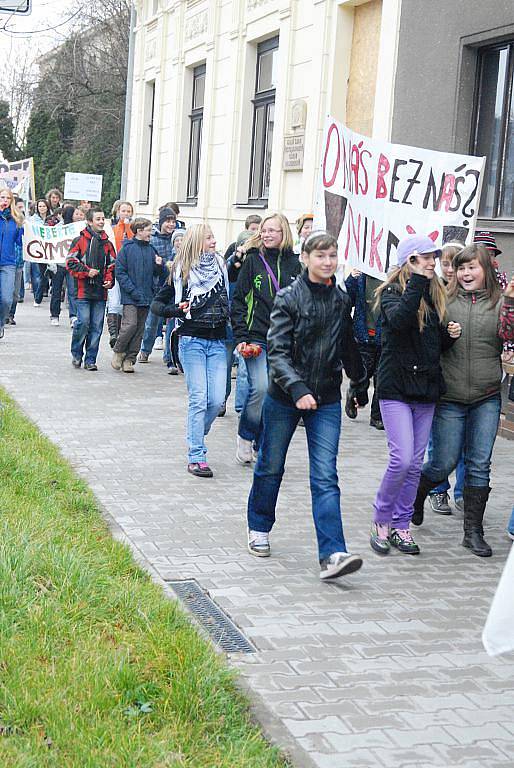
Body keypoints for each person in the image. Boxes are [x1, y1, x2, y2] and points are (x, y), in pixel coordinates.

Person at [246, 231, 367, 579]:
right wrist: (297, 387)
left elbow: (346, 344)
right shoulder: (288, 298)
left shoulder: (342, 299)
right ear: (306, 258)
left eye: (332, 256)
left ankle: (333, 554)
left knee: (326, 475)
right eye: (320, 256)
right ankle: (259, 526)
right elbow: (278, 352)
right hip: (285, 398)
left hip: (326, 398)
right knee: (271, 465)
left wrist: (359, 381)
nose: (327, 262)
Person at [414, 249, 514, 557]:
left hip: (486, 396)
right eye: (461, 269)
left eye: (472, 267)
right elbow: (426, 337)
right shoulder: (444, 300)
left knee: (479, 463)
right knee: (443, 462)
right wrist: (446, 333)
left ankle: (473, 531)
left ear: (485, 269)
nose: (466, 273)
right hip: (450, 397)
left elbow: (509, 334)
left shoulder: (499, 303)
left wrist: (510, 302)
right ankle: (418, 494)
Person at [369, 235, 461, 556]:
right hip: (395, 387)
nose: (433, 263)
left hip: (425, 390)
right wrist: (417, 283)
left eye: (433, 258)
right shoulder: (392, 292)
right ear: (410, 261)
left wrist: (448, 337)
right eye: (426, 258)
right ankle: (381, 517)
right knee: (402, 458)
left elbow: (429, 345)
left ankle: (401, 523)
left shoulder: (434, 295)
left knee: (415, 464)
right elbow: (398, 322)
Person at [150, 223, 229, 477]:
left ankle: (196, 432)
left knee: (216, 401)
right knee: (199, 399)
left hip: (218, 341)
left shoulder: (221, 266)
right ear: (197, 241)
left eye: (214, 237)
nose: (214, 241)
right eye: (208, 238)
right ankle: (197, 456)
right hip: (191, 340)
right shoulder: (181, 271)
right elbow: (157, 305)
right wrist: (178, 309)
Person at [231, 213, 301, 464]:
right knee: (259, 388)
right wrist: (241, 336)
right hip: (255, 337)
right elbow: (238, 300)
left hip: (284, 341)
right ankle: (245, 435)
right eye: (265, 230)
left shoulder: (296, 264)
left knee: (275, 394)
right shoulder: (252, 261)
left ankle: (263, 442)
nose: (268, 234)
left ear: (285, 234)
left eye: (274, 230)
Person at [426, 242, 466, 515]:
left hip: (468, 375)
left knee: (467, 444)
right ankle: (437, 489)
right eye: (446, 263)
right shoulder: (432, 291)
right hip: (440, 376)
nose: (450, 270)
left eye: (456, 264)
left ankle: (465, 492)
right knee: (439, 440)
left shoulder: (474, 291)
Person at [65, 207, 116, 370]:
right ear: (89, 222)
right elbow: (70, 262)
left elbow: (113, 265)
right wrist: (87, 271)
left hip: (101, 292)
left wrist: (109, 280)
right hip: (82, 291)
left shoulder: (108, 244)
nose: (101, 222)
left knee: (97, 326)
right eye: (98, 219)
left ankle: (91, 359)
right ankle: (77, 354)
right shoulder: (79, 240)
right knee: (83, 323)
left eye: (103, 219)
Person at [111, 218, 163, 373]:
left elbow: (158, 274)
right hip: (131, 296)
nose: (151, 234)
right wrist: (132, 291)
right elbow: (120, 272)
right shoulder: (127, 249)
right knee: (130, 325)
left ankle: (130, 359)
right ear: (139, 231)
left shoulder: (152, 250)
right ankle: (119, 351)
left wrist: (159, 265)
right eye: (148, 230)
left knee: (140, 329)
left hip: (147, 295)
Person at [344, 268, 384, 430]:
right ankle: (355, 395)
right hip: (363, 336)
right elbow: (346, 300)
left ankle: (377, 416)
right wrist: (352, 279)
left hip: (384, 338)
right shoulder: (361, 276)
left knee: (382, 379)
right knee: (361, 376)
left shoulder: (392, 277)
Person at [137, 207, 176, 363]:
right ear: (161, 222)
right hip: (157, 286)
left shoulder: (179, 238)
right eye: (168, 221)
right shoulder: (152, 239)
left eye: (173, 221)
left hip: (174, 286)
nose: (171, 224)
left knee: (173, 323)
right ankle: (145, 350)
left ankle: (170, 356)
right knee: (152, 322)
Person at [0, 187, 24, 339]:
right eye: (2, 197)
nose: (4, 201)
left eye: (7, 198)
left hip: (8, 263)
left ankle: (1, 322)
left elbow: (21, 242)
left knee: (7, 298)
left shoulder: (16, 220)